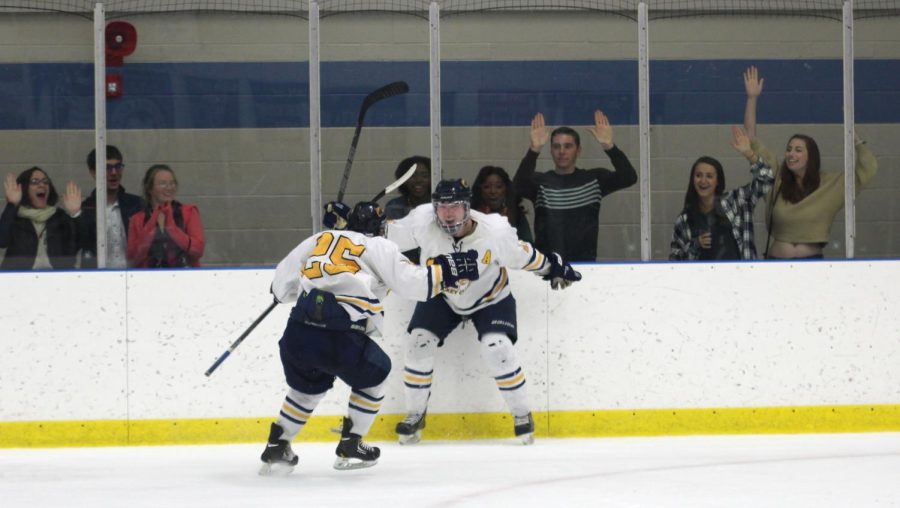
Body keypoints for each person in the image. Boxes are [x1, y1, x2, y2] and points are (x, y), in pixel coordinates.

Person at [260, 201, 481, 474]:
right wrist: (447, 270)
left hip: (296, 335)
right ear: (380, 228)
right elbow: (413, 283)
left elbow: (280, 289)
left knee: (306, 389)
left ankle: (277, 446)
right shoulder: (380, 246)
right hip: (339, 338)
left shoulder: (319, 238)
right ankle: (352, 444)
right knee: (377, 374)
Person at [385, 179, 582, 446]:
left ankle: (522, 415)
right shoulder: (422, 221)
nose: (449, 214)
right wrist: (355, 225)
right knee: (418, 344)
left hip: (491, 296)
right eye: (442, 208)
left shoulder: (494, 231)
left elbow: (522, 255)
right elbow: (386, 237)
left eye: (455, 207)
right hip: (441, 294)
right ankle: (415, 415)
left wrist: (551, 268)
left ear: (467, 207)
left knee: (497, 348)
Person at [742, 65, 878, 260]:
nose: (791, 154)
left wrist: (853, 134)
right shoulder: (775, 178)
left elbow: (868, 169)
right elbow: (750, 139)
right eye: (789, 149)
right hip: (775, 266)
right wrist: (752, 99)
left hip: (812, 267)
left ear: (811, 156)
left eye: (798, 150)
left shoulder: (832, 185)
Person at [513, 110, 638, 262]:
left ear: (578, 151)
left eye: (568, 146)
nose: (562, 151)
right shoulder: (540, 183)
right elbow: (517, 187)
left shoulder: (593, 180)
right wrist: (534, 149)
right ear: (551, 151)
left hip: (585, 267)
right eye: (556, 146)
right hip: (547, 268)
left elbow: (629, 177)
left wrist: (609, 146)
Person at [669, 126, 775, 261]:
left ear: (718, 181)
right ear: (692, 179)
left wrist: (749, 153)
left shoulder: (738, 200)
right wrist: (695, 245)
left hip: (740, 278)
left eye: (709, 176)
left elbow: (767, 180)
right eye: (698, 175)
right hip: (702, 280)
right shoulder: (684, 220)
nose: (703, 181)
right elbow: (674, 261)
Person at [1, 168, 82, 270]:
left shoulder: (59, 216)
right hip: (20, 280)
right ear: (25, 188)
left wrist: (75, 214)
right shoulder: (15, 216)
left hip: (58, 279)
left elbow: (80, 243)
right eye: (34, 182)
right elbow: (2, 241)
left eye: (45, 181)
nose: (41, 185)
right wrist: (12, 205)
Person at [126, 164, 205, 268]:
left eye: (172, 183)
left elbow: (198, 250)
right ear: (150, 189)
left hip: (185, 277)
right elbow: (133, 258)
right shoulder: (137, 219)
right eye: (162, 184)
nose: (169, 188)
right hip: (149, 279)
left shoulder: (188, 212)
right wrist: (152, 222)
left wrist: (172, 229)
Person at [79, 145, 143, 268]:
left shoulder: (136, 204)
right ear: (93, 172)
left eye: (118, 167)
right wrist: (75, 215)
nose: (114, 173)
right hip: (98, 279)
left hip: (133, 277)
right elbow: (78, 244)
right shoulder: (86, 208)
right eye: (107, 168)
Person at [471, 165, 533, 243]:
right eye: (486, 187)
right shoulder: (471, 216)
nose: (493, 191)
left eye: (498, 186)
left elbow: (528, 246)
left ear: (506, 189)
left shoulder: (516, 214)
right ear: (480, 190)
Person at [384, 155, 431, 220]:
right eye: (412, 176)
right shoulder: (393, 206)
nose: (418, 180)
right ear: (403, 179)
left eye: (424, 176)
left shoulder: (440, 207)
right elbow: (389, 227)